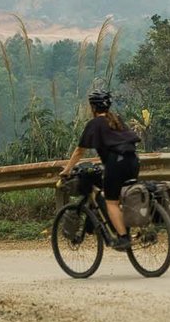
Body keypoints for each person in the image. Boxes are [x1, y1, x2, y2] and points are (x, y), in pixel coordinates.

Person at [59, 88, 141, 249]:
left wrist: (66, 170)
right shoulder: (116, 119)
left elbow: (79, 151)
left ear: (93, 108)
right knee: (122, 197)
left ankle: (123, 238)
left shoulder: (94, 123)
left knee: (111, 202)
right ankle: (127, 228)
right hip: (133, 161)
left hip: (115, 163)